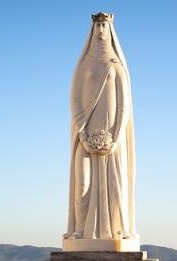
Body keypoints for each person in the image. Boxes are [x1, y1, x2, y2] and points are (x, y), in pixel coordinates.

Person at [64, 12, 138, 246]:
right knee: (82, 183)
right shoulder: (84, 64)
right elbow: (74, 99)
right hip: (85, 136)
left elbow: (124, 105)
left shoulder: (117, 66)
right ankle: (81, 230)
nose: (100, 29)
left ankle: (118, 229)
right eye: (97, 25)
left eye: (104, 25)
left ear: (109, 29)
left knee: (117, 189)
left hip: (112, 141)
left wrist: (116, 138)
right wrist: (83, 134)